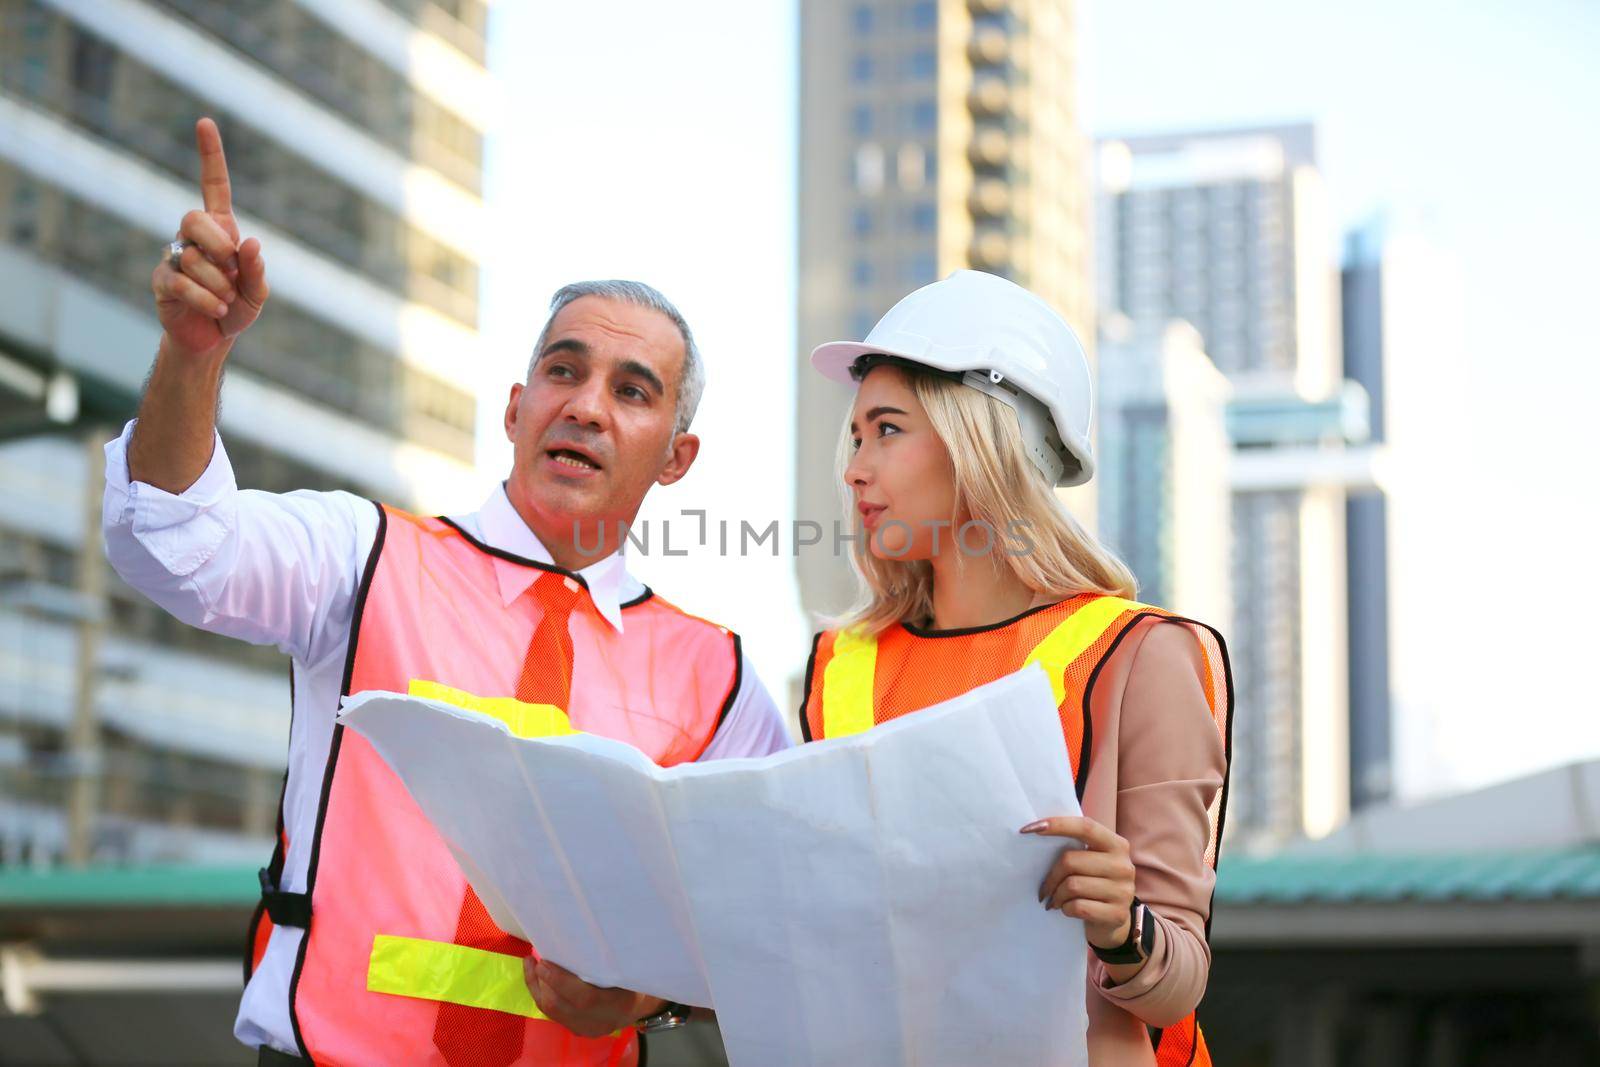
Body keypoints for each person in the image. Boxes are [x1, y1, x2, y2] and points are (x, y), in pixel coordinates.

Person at [104, 118, 789, 1067]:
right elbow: (169, 541)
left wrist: (650, 993)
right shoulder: (365, 557)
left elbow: (777, 920)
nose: (586, 404)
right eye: (563, 369)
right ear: (516, 410)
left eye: (633, 391)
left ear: (678, 458)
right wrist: (193, 355)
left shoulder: (721, 677)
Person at [798, 270, 1233, 1066]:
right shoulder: (841, 665)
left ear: (983, 441)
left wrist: (1120, 924)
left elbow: (1180, 982)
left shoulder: (1138, 655)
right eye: (855, 436)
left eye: (887, 429)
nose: (856, 467)